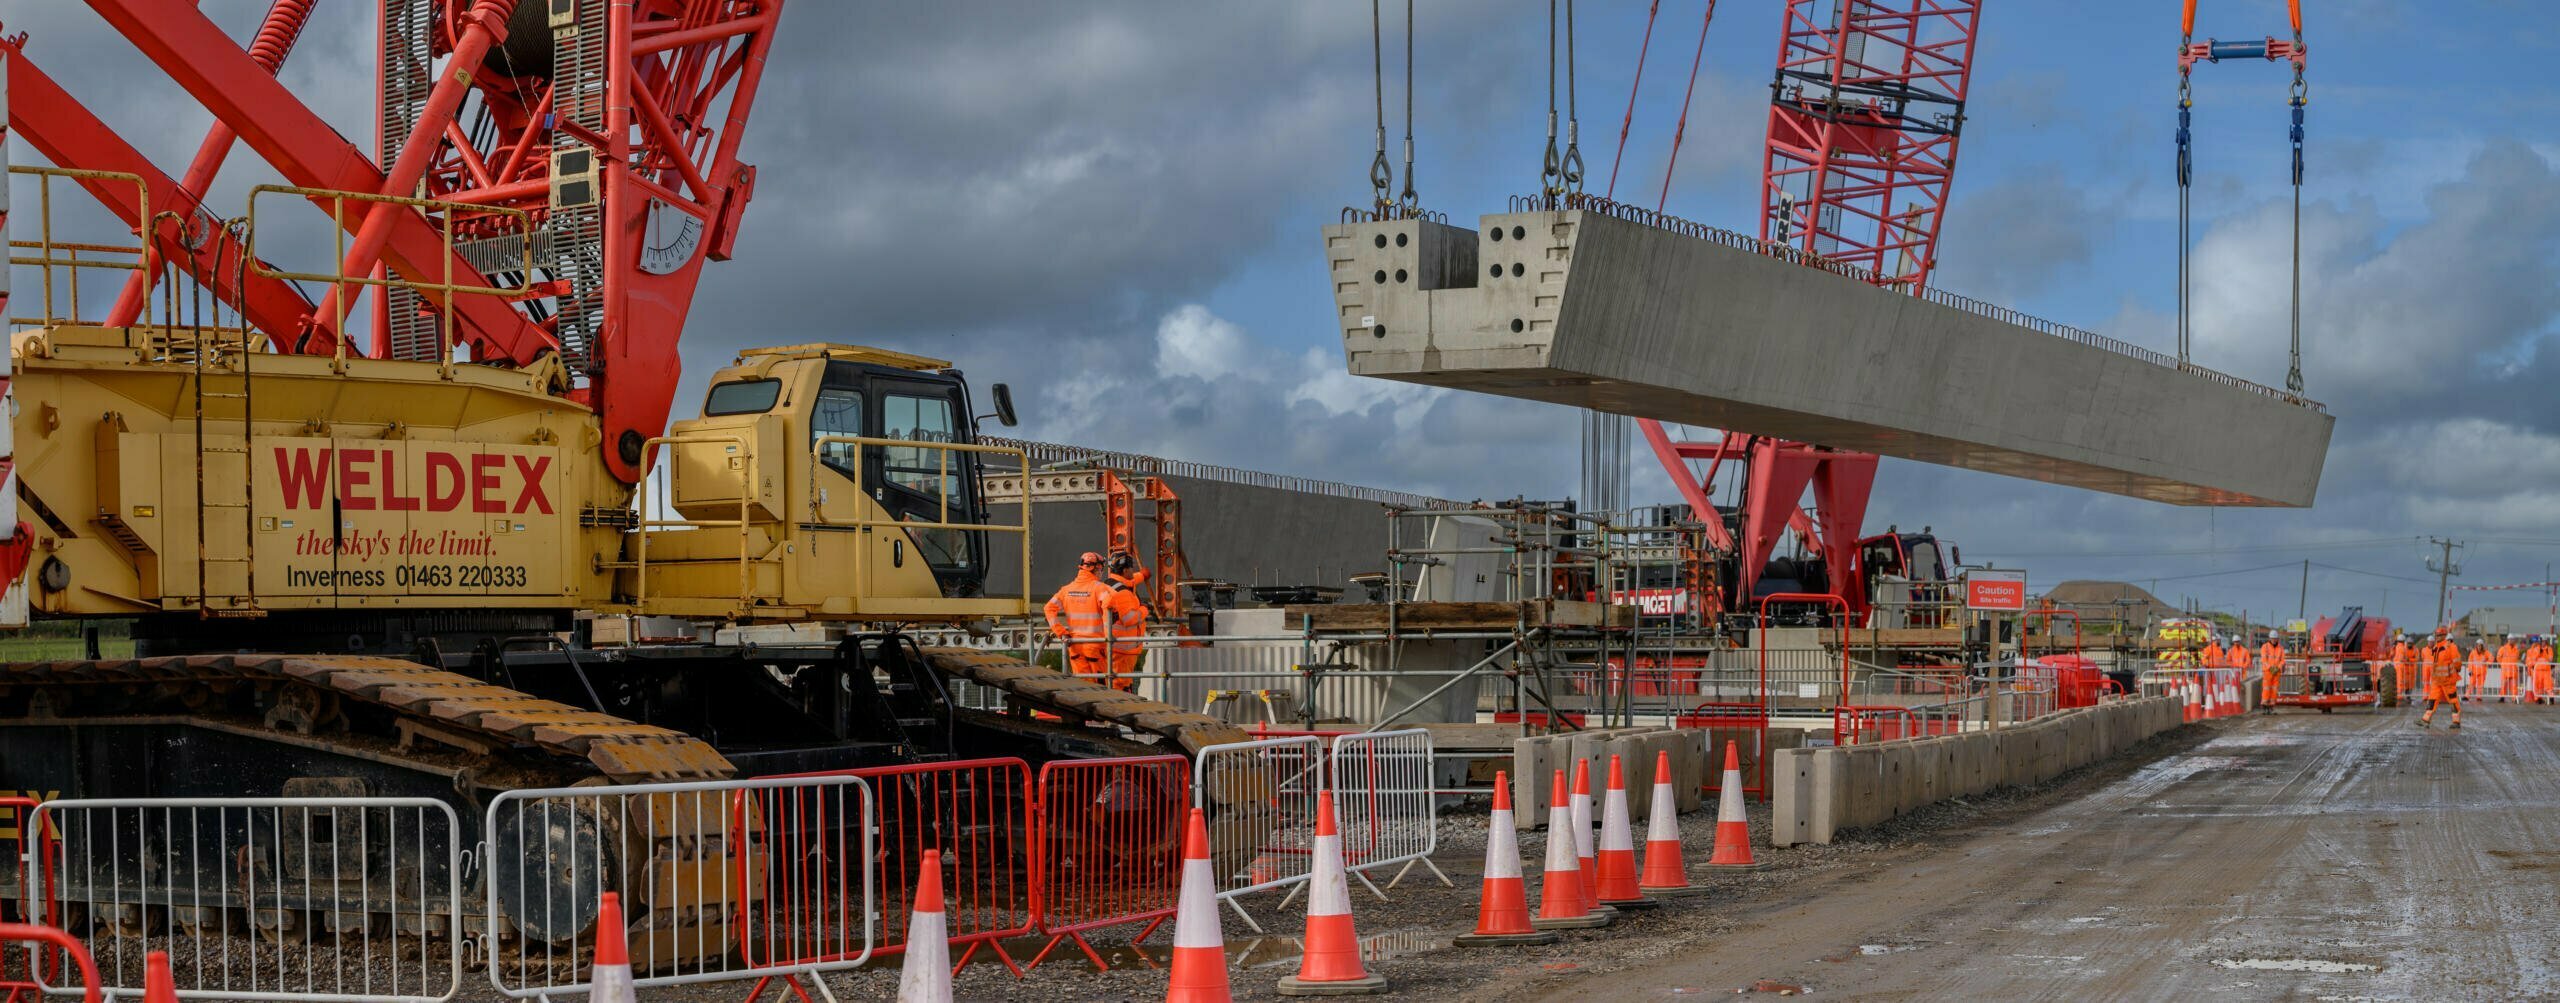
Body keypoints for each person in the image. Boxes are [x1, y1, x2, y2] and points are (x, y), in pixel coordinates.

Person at [2419, 632, 2464, 729]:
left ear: (2444, 636)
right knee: (2432, 699)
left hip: (2448, 680)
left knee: (2452, 700)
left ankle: (2456, 721)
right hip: (2437, 680)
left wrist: (2457, 668)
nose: (2437, 637)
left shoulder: (2451, 647)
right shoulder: (2436, 647)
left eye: (2439, 635)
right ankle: (2425, 720)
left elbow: (2457, 662)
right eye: (2436, 635)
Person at [2499, 636, 2524, 704]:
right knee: (2503, 685)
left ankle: (2514, 698)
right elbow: (2498, 658)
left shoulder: (2516, 649)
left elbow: (2516, 658)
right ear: (2508, 640)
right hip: (2505, 670)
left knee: (2514, 686)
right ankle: (2502, 697)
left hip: (2513, 670)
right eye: (2510, 639)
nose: (2511, 641)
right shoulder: (2503, 648)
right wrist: (2503, 664)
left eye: (2512, 639)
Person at [2530, 637, 2554, 705]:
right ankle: (2538, 699)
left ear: (2546, 642)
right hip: (2538, 670)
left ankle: (2551, 698)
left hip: (2546, 670)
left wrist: (2545, 652)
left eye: (2544, 641)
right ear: (2540, 642)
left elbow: (2550, 659)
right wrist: (2539, 652)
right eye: (2542, 641)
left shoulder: (2549, 649)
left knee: (2548, 685)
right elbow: (2533, 658)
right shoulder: (2536, 649)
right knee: (2538, 685)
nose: (2543, 643)